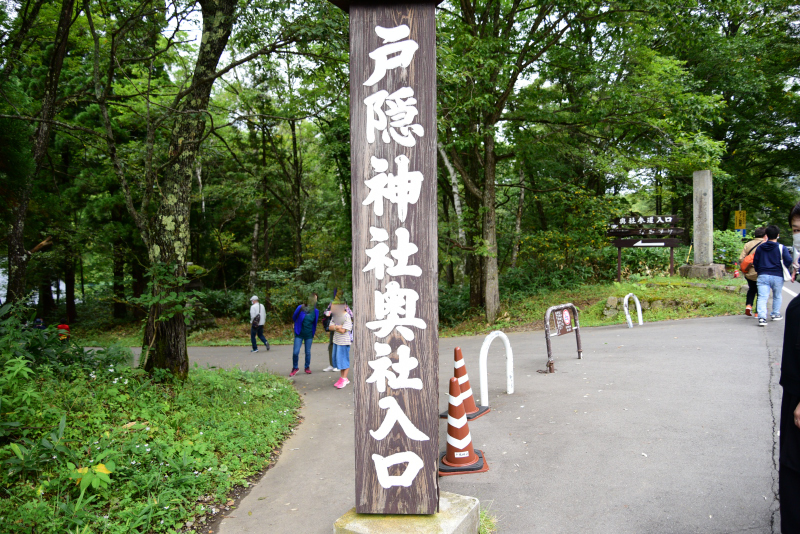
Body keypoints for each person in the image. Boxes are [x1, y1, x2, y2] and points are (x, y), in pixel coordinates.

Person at [753, 225, 793, 326]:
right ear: (778, 235)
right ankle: (775, 314)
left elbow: (755, 261)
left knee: (762, 297)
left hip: (763, 275)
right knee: (777, 295)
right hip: (777, 275)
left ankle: (762, 318)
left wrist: (759, 270)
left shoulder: (760, 248)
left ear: (766, 235)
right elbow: (788, 260)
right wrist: (783, 267)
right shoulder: (781, 247)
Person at [740, 227, 767, 317]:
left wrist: (746, 268)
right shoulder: (766, 244)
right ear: (765, 235)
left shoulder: (748, 244)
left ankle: (748, 305)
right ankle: (757, 312)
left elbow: (741, 258)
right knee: (761, 292)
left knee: (752, 289)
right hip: (761, 272)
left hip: (749, 272)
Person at [290, 293, 319, 377]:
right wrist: (296, 326)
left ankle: (307, 367)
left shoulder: (316, 311)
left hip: (309, 334)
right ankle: (295, 368)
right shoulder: (300, 308)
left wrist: (313, 333)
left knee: (308, 352)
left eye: (316, 299)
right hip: (299, 333)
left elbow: (315, 323)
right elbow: (294, 317)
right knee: (295, 352)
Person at [329, 297, 352, 389]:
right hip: (336, 341)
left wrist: (335, 327)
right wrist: (337, 327)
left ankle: (344, 378)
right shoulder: (335, 316)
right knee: (338, 360)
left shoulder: (347, 316)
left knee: (343, 360)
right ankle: (342, 378)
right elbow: (330, 327)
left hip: (344, 342)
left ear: (345, 307)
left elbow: (343, 331)